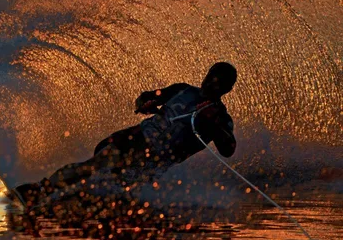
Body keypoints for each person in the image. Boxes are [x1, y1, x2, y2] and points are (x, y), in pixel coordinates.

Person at [13, 62, 237, 208]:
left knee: (113, 189)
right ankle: (40, 190)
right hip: (136, 138)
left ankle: (64, 201)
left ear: (226, 89)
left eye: (219, 84)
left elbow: (228, 149)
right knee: (98, 163)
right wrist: (145, 102)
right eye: (211, 78)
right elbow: (150, 95)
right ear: (206, 75)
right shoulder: (182, 90)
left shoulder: (221, 118)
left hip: (154, 161)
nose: (211, 84)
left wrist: (214, 124)